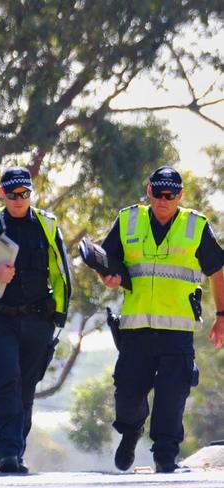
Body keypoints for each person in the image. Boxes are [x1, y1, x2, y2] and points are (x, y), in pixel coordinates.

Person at [96, 166, 224, 473]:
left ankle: (165, 456)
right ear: (149, 192)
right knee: (127, 393)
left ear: (179, 195)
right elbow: (104, 259)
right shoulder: (128, 220)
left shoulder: (195, 226)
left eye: (170, 195)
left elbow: (218, 270)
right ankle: (130, 431)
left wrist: (222, 315)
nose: (163, 200)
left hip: (176, 332)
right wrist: (108, 279)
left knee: (172, 395)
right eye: (157, 193)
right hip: (136, 330)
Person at [0, 167, 71, 474]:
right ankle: (8, 452)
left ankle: (14, 449)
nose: (19, 199)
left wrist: (59, 315)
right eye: (12, 194)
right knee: (6, 382)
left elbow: (62, 271)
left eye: (24, 194)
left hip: (38, 320)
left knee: (25, 388)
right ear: (2, 193)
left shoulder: (47, 224)